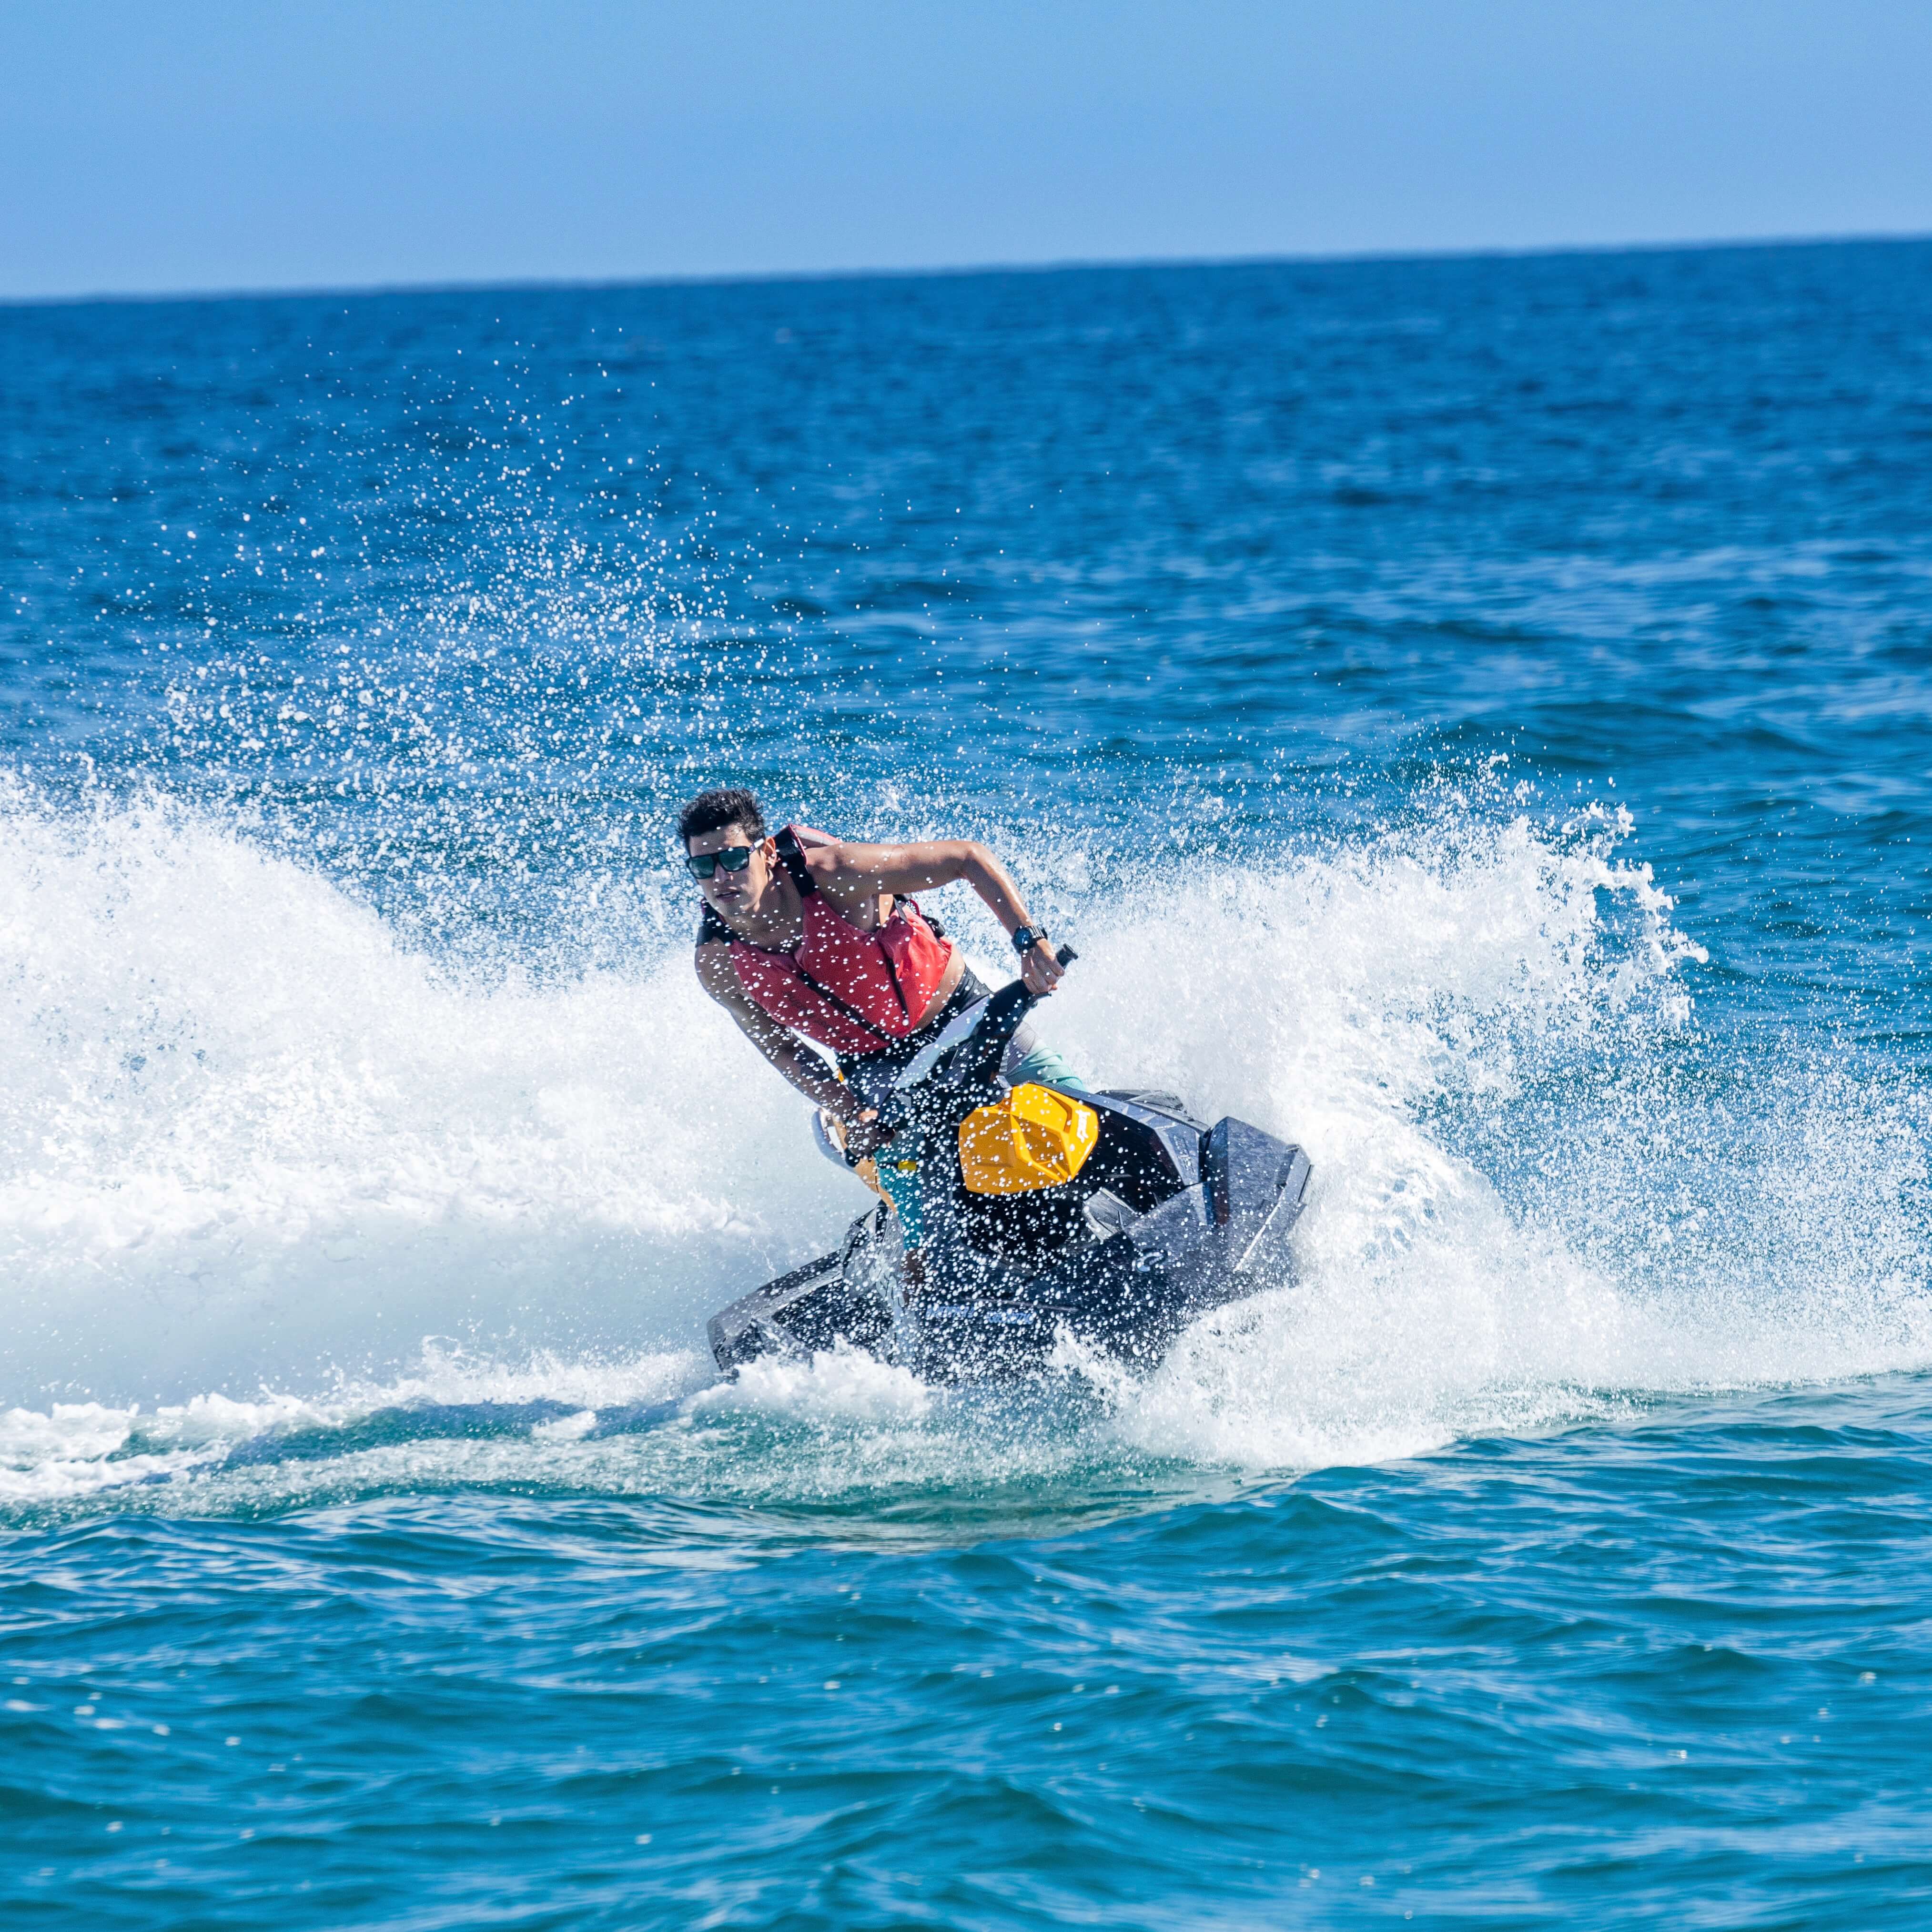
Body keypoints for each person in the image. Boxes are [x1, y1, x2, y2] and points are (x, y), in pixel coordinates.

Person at [680, 787, 1082, 1251]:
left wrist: (1029, 940)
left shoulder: (835, 873)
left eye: (732, 857)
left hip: (968, 1017)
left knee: (1083, 1112)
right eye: (702, 866)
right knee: (925, 1241)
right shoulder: (717, 963)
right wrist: (852, 1111)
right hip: (878, 1073)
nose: (720, 876)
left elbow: (967, 858)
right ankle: (907, 1266)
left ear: (766, 852)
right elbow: (783, 1050)